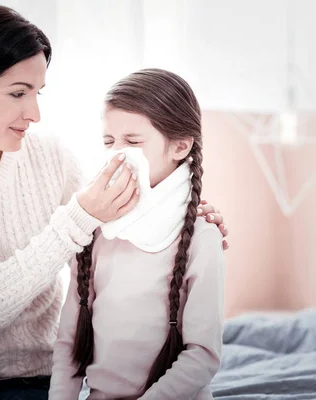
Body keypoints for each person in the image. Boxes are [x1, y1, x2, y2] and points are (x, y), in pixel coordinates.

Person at [0, 5, 228, 400]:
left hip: (31, 376)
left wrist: (187, 216)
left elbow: (118, 220)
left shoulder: (50, 157)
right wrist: (81, 214)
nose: (34, 113)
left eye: (38, 93)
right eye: (19, 93)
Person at [49, 69, 225, 400]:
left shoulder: (202, 237)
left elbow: (203, 356)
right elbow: (68, 345)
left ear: (180, 146)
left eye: (132, 142)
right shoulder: (95, 229)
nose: (117, 153)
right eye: (108, 141)